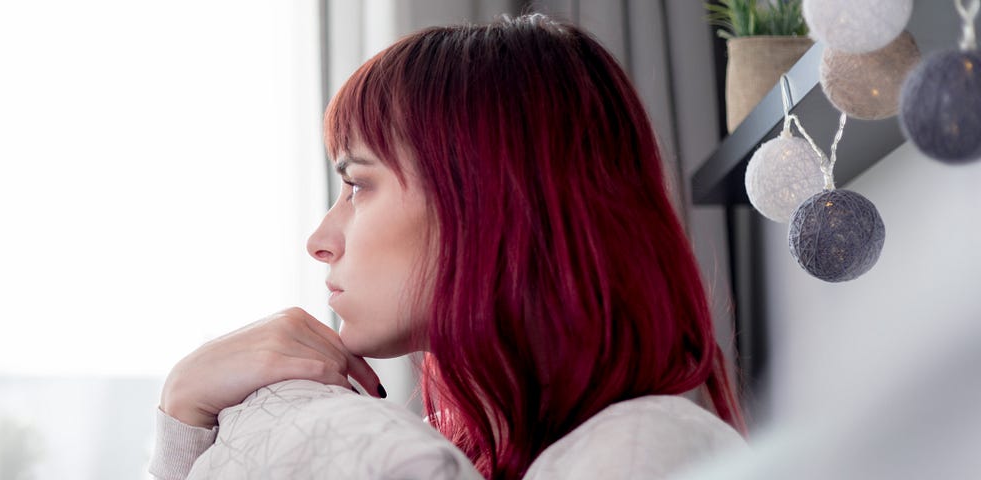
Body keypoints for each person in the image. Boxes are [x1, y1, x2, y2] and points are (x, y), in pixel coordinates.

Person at [151, 13, 747, 480]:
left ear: (490, 197)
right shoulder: (509, 455)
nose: (320, 241)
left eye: (358, 184)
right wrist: (183, 407)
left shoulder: (642, 453)